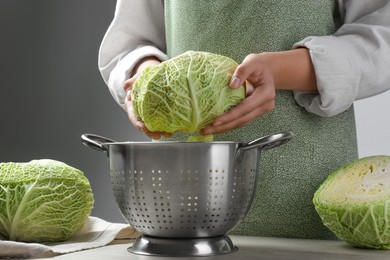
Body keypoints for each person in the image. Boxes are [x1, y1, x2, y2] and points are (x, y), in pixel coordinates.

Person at [98, 0, 390, 239]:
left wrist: (282, 70)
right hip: (183, 196)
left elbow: (382, 33)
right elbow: (130, 41)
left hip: (307, 186)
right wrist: (145, 77)